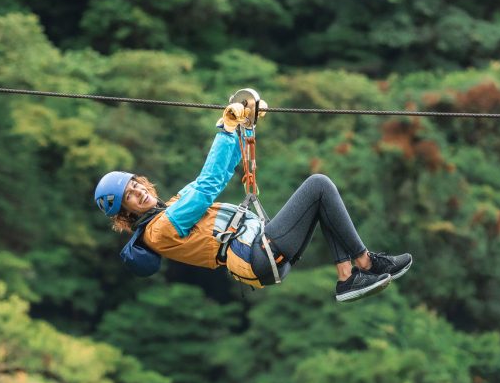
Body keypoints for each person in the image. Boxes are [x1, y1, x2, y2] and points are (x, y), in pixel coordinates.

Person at [93, 100, 412, 302]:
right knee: (319, 185)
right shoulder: (161, 229)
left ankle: (348, 277)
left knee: (321, 203)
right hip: (257, 254)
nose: (140, 192)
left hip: (261, 253)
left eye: (136, 184)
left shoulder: (172, 206)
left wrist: (242, 126)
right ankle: (365, 263)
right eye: (131, 196)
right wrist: (225, 127)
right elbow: (208, 186)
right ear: (126, 213)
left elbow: (222, 168)